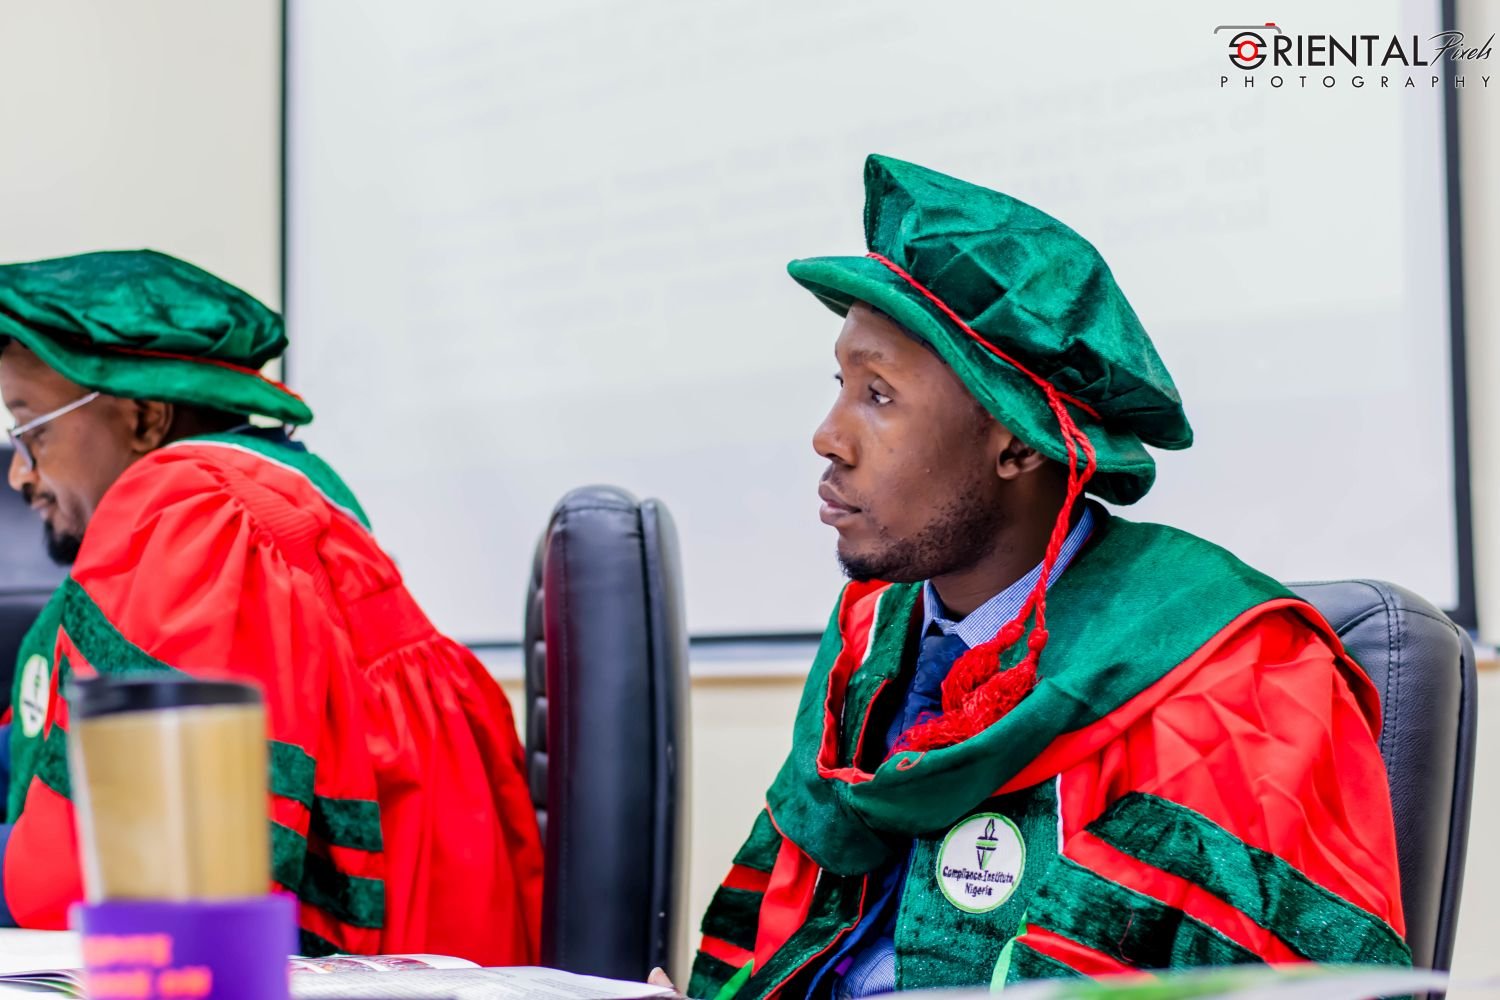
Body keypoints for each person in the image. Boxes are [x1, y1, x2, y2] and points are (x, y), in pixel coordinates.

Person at [686, 156, 1408, 998]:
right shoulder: (870, 637)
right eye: (840, 384)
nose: (827, 437)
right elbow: (767, 939)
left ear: (1019, 445)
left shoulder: (1234, 681)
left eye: (879, 395)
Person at [0, 250, 541, 964]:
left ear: (145, 417)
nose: (19, 473)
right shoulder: (271, 494)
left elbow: (142, 869)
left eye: (31, 430)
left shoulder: (194, 513)